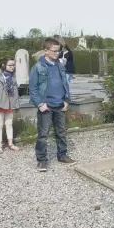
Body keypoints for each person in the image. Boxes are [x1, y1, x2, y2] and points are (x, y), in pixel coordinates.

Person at [29, 38, 75, 172]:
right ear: (45, 51)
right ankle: (42, 160)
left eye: (58, 51)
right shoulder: (38, 67)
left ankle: (62, 155)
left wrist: (67, 99)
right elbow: (32, 89)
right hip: (46, 106)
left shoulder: (60, 65)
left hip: (60, 104)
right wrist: (39, 104)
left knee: (61, 132)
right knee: (43, 135)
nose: (57, 53)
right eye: (54, 51)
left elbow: (65, 83)